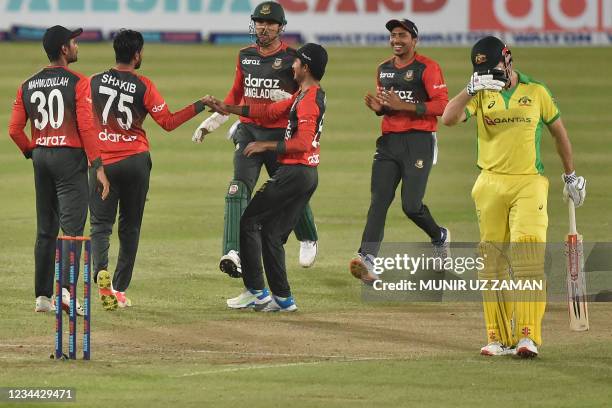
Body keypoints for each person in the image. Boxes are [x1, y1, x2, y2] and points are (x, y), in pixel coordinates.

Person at [441, 36, 586, 358]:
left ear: (508, 59)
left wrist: (571, 175)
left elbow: (558, 132)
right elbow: (448, 118)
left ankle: (527, 337)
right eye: (481, 71)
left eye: (492, 68)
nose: (490, 75)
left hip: (528, 183)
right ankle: (497, 337)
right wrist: (471, 88)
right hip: (489, 183)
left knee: (528, 256)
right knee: (491, 263)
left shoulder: (536, 91)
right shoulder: (481, 93)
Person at [192, 1, 319, 278]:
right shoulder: (245, 55)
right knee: (238, 189)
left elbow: (308, 96)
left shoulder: (293, 59)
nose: (263, 28)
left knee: (288, 192)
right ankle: (233, 251)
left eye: (269, 24)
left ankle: (308, 236)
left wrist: (289, 99)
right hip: (249, 131)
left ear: (280, 27)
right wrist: (214, 120)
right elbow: (236, 94)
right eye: (259, 23)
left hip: (279, 134)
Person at [88, 29, 211, 310]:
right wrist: (200, 104)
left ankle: (100, 274)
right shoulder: (144, 85)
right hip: (135, 161)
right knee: (130, 228)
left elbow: (82, 121)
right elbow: (167, 122)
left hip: (103, 162)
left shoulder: (92, 82)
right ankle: (118, 290)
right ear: (136, 54)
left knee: (100, 226)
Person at [203, 43, 327, 312]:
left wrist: (265, 146)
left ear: (305, 68)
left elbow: (303, 143)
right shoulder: (306, 95)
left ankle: (257, 292)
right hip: (306, 175)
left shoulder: (307, 101)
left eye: (295, 63)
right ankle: (283, 300)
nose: (291, 65)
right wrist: (227, 108)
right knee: (270, 233)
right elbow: (268, 112)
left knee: (249, 221)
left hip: (294, 174)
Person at [8, 25, 110, 314]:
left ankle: (42, 297)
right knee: (73, 229)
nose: (77, 46)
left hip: (41, 155)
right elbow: (87, 128)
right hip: (69, 158)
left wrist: (33, 151)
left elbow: (14, 130)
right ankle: (65, 293)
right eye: (74, 42)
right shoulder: (78, 81)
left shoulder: (27, 84)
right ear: (64, 50)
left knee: (46, 229)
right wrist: (98, 167)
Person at [349, 18, 450, 284]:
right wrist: (381, 109)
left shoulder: (427, 67)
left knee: (411, 206)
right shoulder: (383, 69)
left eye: (402, 35)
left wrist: (404, 106)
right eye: (393, 35)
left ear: (414, 40)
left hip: (419, 141)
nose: (396, 40)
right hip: (389, 141)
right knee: (379, 201)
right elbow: (389, 105)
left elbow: (442, 105)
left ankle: (439, 236)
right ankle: (367, 258)